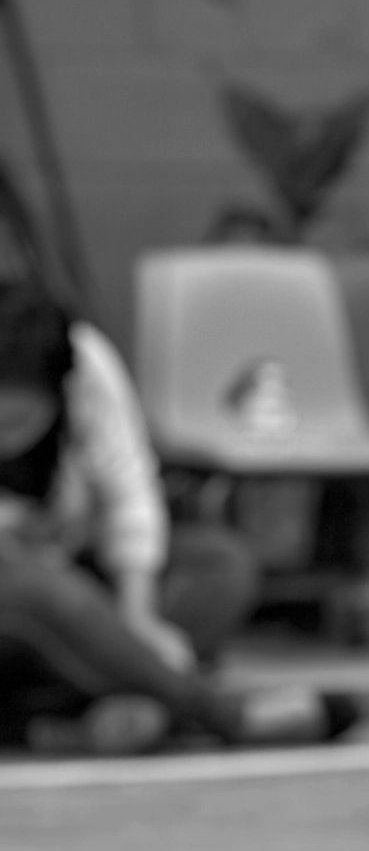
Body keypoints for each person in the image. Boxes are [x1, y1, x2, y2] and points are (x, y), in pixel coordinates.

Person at [0, 277, 259, 753]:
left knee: (220, 564)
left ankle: (79, 709)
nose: (7, 439)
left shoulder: (83, 361)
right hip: (24, 603)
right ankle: (214, 712)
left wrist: (136, 615)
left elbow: (130, 487)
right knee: (38, 591)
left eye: (18, 423)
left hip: (86, 581)